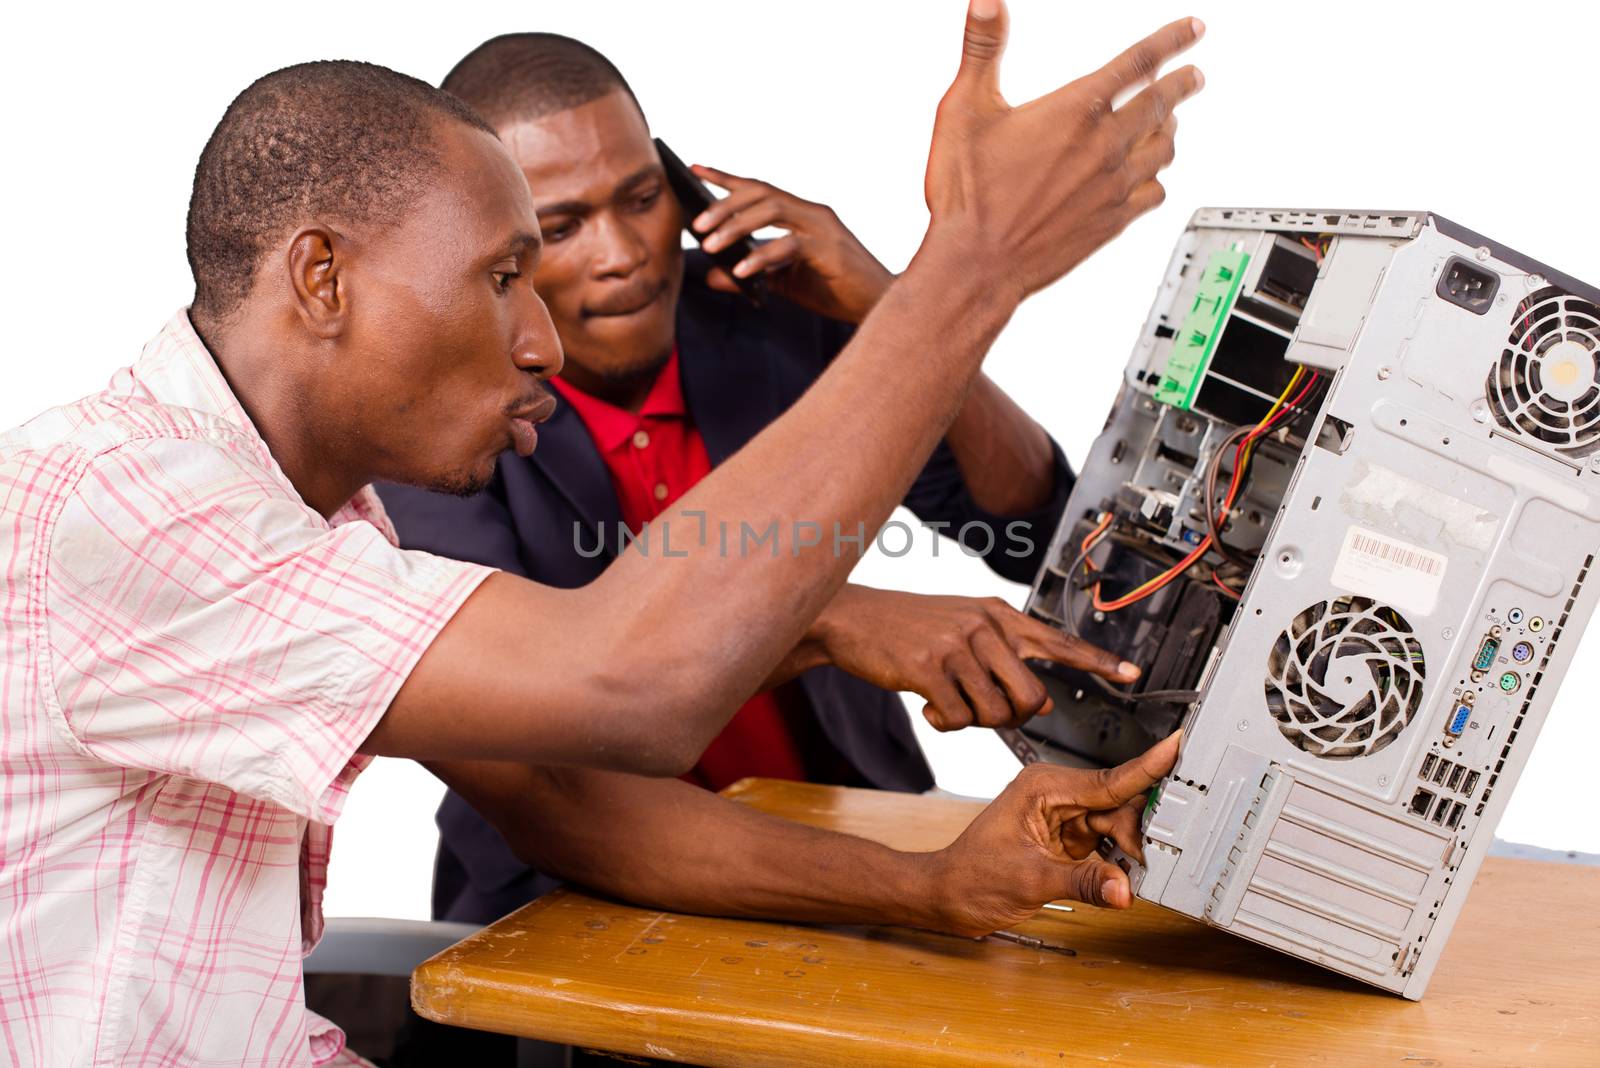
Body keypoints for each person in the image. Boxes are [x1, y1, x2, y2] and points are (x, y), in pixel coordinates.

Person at [0, 3, 1203, 1063]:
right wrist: (968, 268)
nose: (544, 340)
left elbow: (564, 796)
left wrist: (934, 885)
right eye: (503, 274)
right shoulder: (132, 509)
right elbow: (632, 685)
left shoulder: (301, 515)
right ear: (321, 278)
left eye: (638, 205)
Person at [377, 30, 1090, 925]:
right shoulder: (426, 426)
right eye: (561, 227)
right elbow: (531, 719)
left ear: (682, 190)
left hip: (848, 834)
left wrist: (898, 305)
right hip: (575, 895)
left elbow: (1032, 527)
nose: (624, 251)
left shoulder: (773, 314)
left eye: (642, 199)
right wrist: (832, 617)